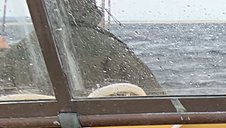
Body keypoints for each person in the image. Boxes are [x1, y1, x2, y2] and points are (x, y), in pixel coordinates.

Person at [0, 0, 161, 96]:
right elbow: (157, 101)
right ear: (88, 6)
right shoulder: (112, 49)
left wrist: (3, 53)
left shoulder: (20, 52)